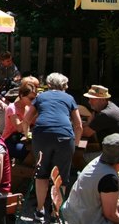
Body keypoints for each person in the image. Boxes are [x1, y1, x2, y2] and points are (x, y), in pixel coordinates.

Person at [24, 72, 83, 223]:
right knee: (61, 177)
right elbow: (78, 125)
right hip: (64, 137)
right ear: (64, 86)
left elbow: (26, 119)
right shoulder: (69, 98)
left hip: (42, 135)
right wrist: (75, 144)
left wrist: (27, 134)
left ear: (49, 85)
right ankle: (55, 213)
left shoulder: (41, 97)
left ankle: (39, 210)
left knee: (41, 173)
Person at [63, 133, 119, 224]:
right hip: (83, 220)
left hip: (75, 213)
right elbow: (111, 215)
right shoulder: (109, 179)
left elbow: (118, 201)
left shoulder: (101, 161)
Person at [2, 79, 37, 161]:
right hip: (9, 139)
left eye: (34, 99)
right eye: (31, 99)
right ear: (21, 95)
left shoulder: (28, 107)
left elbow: (33, 123)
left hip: (21, 138)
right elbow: (19, 128)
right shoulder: (12, 108)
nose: (33, 101)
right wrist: (31, 115)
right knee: (28, 153)